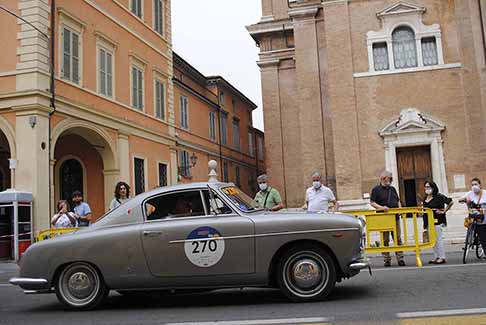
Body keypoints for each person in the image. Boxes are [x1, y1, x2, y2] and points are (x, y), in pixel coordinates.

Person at [370, 170, 405, 267]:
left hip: (395, 217)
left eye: (390, 179)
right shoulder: (376, 189)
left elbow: (397, 201)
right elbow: (372, 203)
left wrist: (400, 208)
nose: (389, 181)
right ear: (382, 178)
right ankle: (386, 259)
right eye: (388, 178)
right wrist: (382, 208)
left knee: (397, 238)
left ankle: (400, 258)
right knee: (385, 239)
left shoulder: (392, 189)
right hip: (383, 218)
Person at [421, 181, 453, 264]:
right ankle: (436, 257)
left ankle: (442, 257)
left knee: (439, 239)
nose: (426, 189)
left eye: (428, 187)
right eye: (425, 187)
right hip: (428, 222)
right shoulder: (425, 198)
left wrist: (444, 211)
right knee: (433, 240)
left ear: (433, 188)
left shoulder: (439, 196)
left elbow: (450, 202)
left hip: (438, 220)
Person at [459, 178, 486, 260]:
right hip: (474, 217)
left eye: (476, 184)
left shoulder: (484, 193)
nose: (474, 186)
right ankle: (473, 240)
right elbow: (459, 199)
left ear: (480, 185)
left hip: (484, 217)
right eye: (472, 185)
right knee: (478, 233)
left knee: (483, 235)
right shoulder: (470, 194)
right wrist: (465, 199)